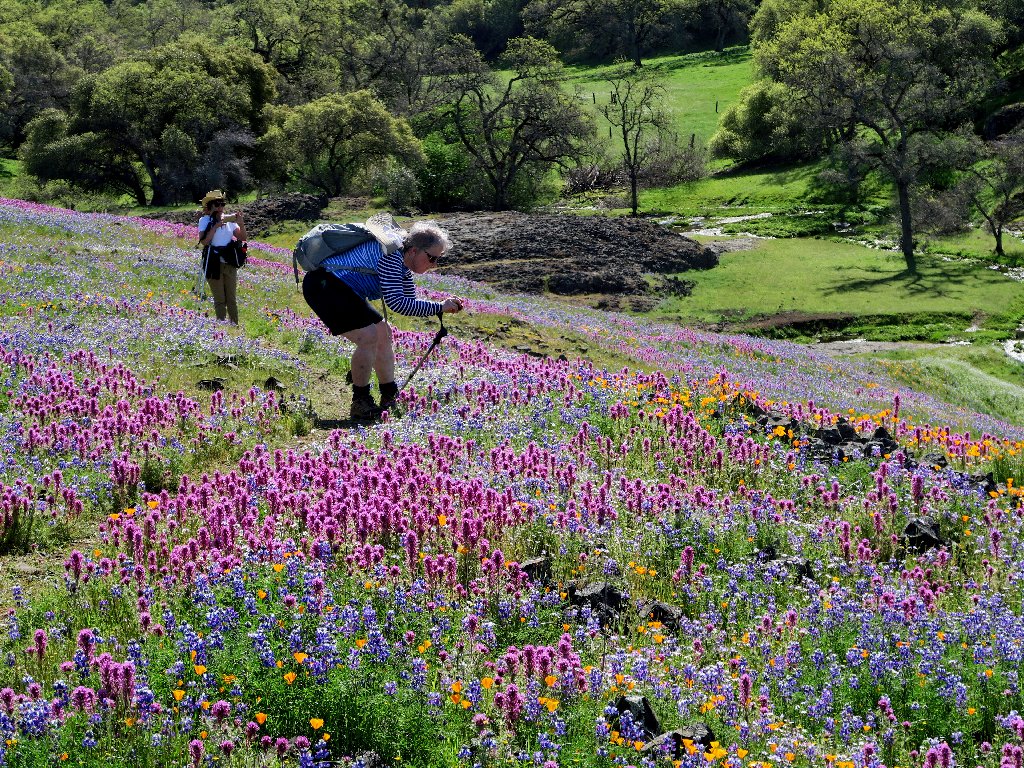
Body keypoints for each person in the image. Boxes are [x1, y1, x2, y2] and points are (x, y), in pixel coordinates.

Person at [302, 220, 465, 421]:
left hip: (341, 288)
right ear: (414, 250)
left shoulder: (403, 263)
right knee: (368, 336)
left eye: (438, 259)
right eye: (432, 258)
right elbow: (398, 303)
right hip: (324, 285)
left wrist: (442, 304)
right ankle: (360, 401)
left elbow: (409, 302)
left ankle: (389, 394)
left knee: (383, 332)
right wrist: (439, 307)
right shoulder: (391, 257)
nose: (434, 265)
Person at [198, 190, 247, 325]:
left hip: (229, 262)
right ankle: (222, 327)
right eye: (217, 204)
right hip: (213, 263)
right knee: (220, 298)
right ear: (210, 207)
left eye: (222, 204)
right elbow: (204, 241)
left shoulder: (229, 220)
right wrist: (215, 226)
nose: (220, 207)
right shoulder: (204, 220)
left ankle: (234, 325)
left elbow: (242, 237)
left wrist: (241, 223)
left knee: (231, 298)